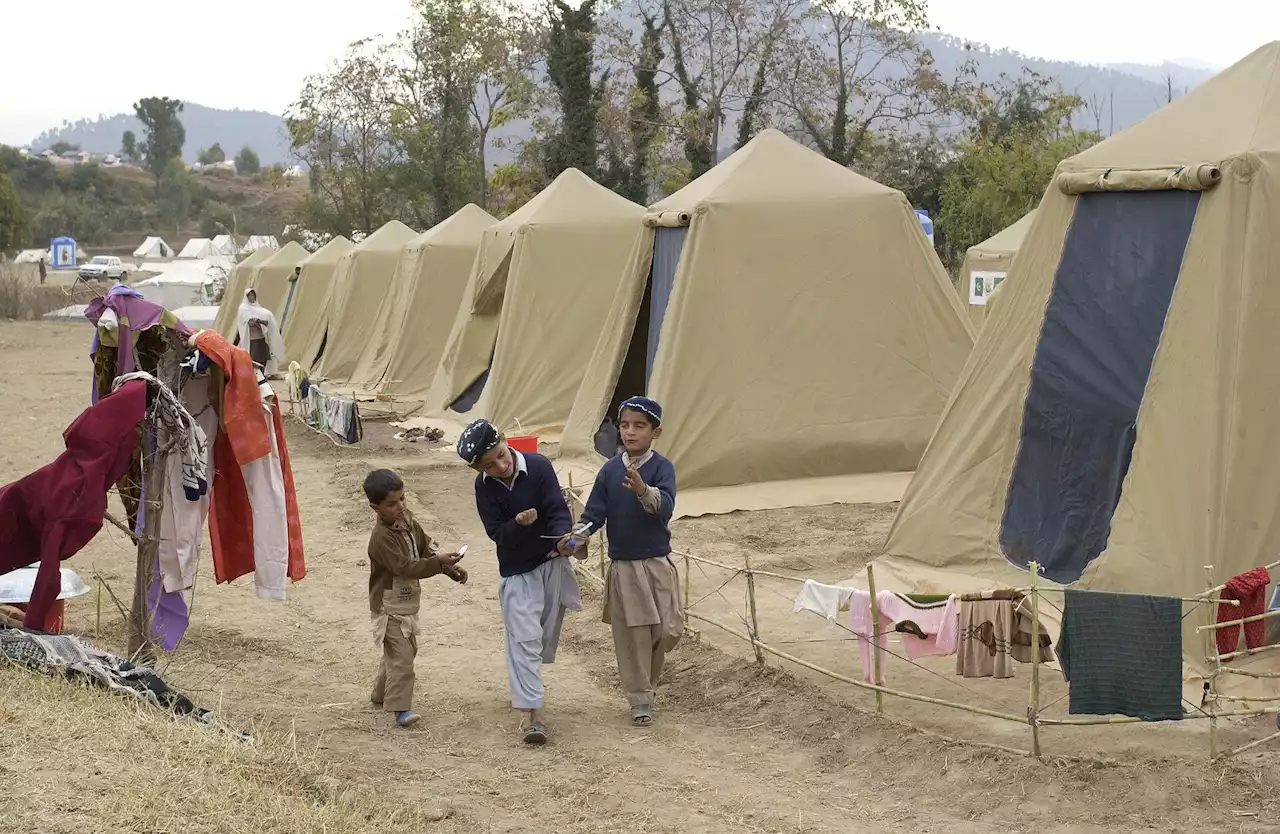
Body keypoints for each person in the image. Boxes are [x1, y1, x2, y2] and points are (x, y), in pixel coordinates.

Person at [560, 396, 681, 728]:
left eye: (639, 426)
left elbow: (666, 506)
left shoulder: (662, 468)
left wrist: (644, 491)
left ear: (655, 432)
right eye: (625, 425)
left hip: (656, 564)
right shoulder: (610, 471)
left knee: (664, 631)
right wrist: (575, 539)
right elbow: (593, 514)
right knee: (633, 636)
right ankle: (640, 699)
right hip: (625, 568)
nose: (630, 432)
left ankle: (648, 686)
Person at [459, 419, 582, 745]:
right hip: (517, 571)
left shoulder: (539, 466)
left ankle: (524, 682)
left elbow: (557, 509)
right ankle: (533, 715)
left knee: (538, 638)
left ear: (505, 440)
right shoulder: (484, 488)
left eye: (501, 455)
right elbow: (496, 533)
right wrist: (517, 522)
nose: (501, 465)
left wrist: (562, 538)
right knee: (525, 638)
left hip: (551, 563)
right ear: (478, 470)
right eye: (490, 465)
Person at [364, 469, 467, 729]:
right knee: (402, 656)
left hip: (407, 601)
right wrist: (437, 563)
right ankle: (401, 709)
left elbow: (426, 547)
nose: (400, 506)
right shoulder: (381, 538)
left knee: (403, 651)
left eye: (402, 499)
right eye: (392, 503)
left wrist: (449, 567)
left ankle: (380, 694)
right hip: (388, 605)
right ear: (375, 508)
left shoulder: (408, 521)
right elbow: (405, 567)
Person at [236, 288, 285, 376]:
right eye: (250, 295)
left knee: (263, 358)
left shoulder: (257, 308)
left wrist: (262, 321)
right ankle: (253, 378)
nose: (252, 297)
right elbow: (247, 320)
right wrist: (257, 320)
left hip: (261, 338)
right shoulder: (243, 308)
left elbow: (266, 317)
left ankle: (261, 377)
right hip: (252, 340)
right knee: (254, 360)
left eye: (253, 295)